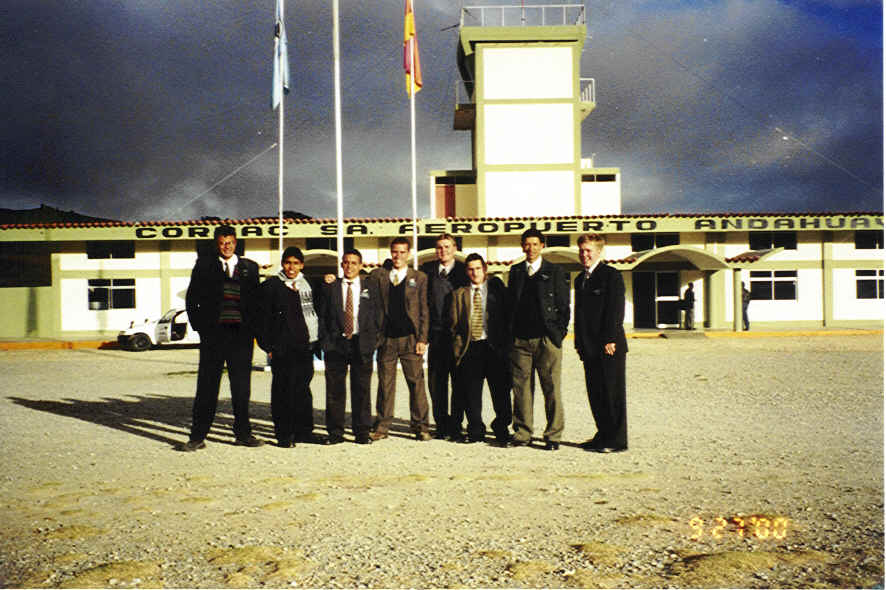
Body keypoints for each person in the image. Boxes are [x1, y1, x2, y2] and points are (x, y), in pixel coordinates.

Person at [181, 225, 262, 451]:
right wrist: (201, 328)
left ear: (236, 243)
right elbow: (192, 299)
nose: (227, 246)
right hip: (214, 336)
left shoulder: (250, 267)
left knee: (241, 387)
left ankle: (243, 433)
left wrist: (254, 330)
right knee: (207, 386)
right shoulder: (204, 266)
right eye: (222, 243)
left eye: (230, 242)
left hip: (241, 337)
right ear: (217, 244)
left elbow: (257, 302)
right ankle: (197, 436)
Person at [506, 228, 570, 450]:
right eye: (527, 244)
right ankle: (523, 433)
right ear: (522, 246)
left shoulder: (555, 271)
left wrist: (558, 334)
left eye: (535, 244)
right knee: (521, 389)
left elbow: (564, 307)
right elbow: (509, 306)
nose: (530, 248)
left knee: (551, 387)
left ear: (542, 245)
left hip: (546, 340)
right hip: (520, 341)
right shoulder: (515, 272)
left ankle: (553, 435)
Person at [258, 246, 327, 448]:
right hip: (283, 346)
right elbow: (261, 318)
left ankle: (304, 431)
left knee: (303, 389)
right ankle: (284, 434)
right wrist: (267, 345)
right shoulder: (271, 286)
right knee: (283, 391)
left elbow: (318, 309)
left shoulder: (309, 284)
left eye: (296, 263)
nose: (291, 267)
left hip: (306, 344)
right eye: (288, 262)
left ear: (302, 265)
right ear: (282, 264)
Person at [369, 237, 431, 441]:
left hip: (410, 339)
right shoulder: (380, 276)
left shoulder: (419, 277)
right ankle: (383, 426)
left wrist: (422, 338)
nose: (398, 256)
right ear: (390, 252)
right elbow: (360, 277)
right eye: (395, 251)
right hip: (387, 339)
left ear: (409, 253)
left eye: (402, 252)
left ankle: (421, 426)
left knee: (416, 384)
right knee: (385, 384)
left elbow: (424, 310)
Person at [449, 253, 512, 446]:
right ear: (467, 271)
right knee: (472, 393)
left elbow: (507, 317)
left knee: (500, 391)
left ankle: (501, 429)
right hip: (471, 347)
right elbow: (453, 324)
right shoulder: (459, 294)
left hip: (493, 347)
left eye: (478, 268)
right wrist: (459, 346)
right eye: (470, 269)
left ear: (484, 269)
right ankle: (475, 430)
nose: (474, 272)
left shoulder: (497, 290)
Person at [574, 233, 628, 453]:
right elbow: (580, 313)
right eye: (581, 250)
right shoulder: (581, 279)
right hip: (589, 347)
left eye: (588, 250)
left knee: (611, 393)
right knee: (595, 394)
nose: (584, 255)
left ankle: (617, 440)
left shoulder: (611, 275)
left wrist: (610, 338)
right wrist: (579, 341)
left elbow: (616, 309)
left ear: (599, 252)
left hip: (608, 346)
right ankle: (603, 434)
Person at [321, 249, 380, 445]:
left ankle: (362, 432)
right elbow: (323, 315)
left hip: (361, 343)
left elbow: (379, 315)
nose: (350, 266)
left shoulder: (370, 287)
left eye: (354, 263)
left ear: (361, 265)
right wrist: (326, 342)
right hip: (336, 343)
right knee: (335, 390)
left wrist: (374, 340)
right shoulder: (331, 286)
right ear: (341, 265)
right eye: (346, 262)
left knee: (362, 389)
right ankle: (335, 433)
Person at [420, 233, 469, 439]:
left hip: (457, 336)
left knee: (459, 383)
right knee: (436, 384)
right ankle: (441, 425)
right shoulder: (427, 271)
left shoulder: (464, 271)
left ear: (454, 248)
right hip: (437, 336)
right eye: (439, 247)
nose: (443, 251)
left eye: (447, 247)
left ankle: (456, 426)